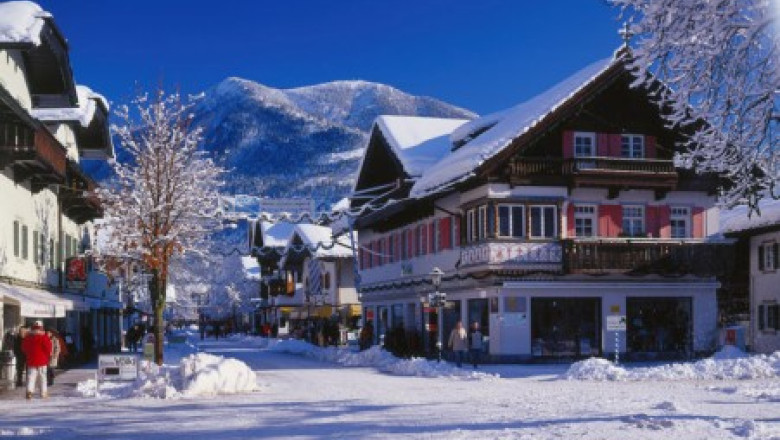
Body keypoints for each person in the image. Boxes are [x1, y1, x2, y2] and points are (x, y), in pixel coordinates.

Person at [21, 321, 52, 399]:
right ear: (41, 328)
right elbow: (48, 348)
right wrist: (47, 356)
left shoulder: (28, 337)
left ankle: (29, 391)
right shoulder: (44, 337)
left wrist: (29, 354)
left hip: (31, 360)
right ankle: (43, 393)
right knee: (42, 378)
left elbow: (23, 348)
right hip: (42, 361)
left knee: (31, 377)